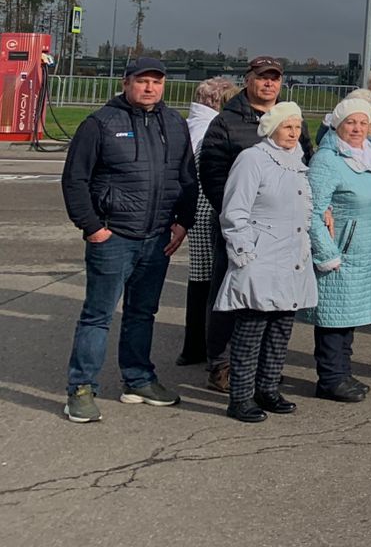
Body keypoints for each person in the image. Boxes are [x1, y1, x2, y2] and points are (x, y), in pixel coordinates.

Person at [60, 57, 196, 423]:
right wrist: (92, 227)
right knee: (97, 316)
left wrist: (183, 221)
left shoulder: (174, 123)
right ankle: (81, 389)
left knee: (142, 312)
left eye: (157, 82)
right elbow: (75, 180)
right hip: (113, 236)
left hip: (157, 239)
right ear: (126, 82)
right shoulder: (101, 124)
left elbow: (187, 178)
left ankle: (137, 379)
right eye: (143, 81)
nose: (150, 88)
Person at [198, 55, 310, 394]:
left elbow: (306, 165)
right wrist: (241, 221)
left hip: (283, 234)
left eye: (275, 78)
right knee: (230, 297)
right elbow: (213, 174)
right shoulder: (227, 123)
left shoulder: (292, 119)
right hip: (243, 228)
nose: (269, 84)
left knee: (273, 302)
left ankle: (262, 369)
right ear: (249, 79)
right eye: (262, 77)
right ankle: (221, 364)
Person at [214, 101, 317, 423]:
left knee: (281, 328)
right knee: (251, 331)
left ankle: (268, 388)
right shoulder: (252, 159)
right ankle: (241, 397)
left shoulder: (298, 161)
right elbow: (234, 211)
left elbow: (305, 208)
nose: (294, 133)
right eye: (287, 126)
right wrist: (244, 252)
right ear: (272, 128)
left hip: (291, 257)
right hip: (260, 258)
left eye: (297, 127)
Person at [305, 96, 371, 403]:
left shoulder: (370, 152)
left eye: (362, 122)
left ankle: (342, 372)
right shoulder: (327, 160)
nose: (357, 128)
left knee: (348, 316)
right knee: (332, 317)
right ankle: (330, 378)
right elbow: (312, 212)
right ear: (337, 125)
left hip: (366, 252)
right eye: (350, 122)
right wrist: (327, 254)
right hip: (340, 253)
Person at [178, 76, 238, 368]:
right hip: (207, 211)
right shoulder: (211, 128)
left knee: (199, 279)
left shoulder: (194, 123)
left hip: (198, 211)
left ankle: (194, 346)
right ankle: (200, 346)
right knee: (207, 282)